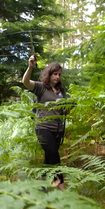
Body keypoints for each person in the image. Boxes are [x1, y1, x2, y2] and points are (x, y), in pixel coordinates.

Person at [22, 55, 67, 190]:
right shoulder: (41, 87)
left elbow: (62, 109)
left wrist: (66, 110)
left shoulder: (61, 91)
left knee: (48, 157)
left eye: (59, 74)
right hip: (43, 128)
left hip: (58, 129)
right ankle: (63, 191)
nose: (57, 77)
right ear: (49, 74)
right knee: (55, 158)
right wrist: (30, 67)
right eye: (55, 74)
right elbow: (25, 82)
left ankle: (41, 184)